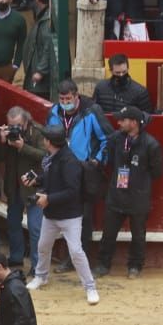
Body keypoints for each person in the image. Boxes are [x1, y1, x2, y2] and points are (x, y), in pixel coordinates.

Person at [25, 126, 100, 305]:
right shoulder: (53, 158)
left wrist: (48, 198)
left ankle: (90, 287)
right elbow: (51, 177)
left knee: (76, 251)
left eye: (45, 139)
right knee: (43, 246)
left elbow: (72, 191)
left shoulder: (69, 162)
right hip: (52, 214)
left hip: (70, 216)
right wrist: (37, 180)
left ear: (49, 142)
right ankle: (41, 276)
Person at [95, 106, 163, 278]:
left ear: (133, 122)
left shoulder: (151, 144)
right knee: (108, 233)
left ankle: (135, 266)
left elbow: (157, 172)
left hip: (138, 197)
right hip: (117, 193)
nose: (118, 123)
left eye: (122, 120)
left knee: (138, 235)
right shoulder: (116, 140)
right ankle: (103, 264)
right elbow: (109, 162)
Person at [48, 79, 110, 259]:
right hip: (61, 169)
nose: (65, 102)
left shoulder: (92, 111)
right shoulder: (53, 111)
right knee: (64, 215)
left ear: (77, 96)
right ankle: (67, 257)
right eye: (62, 99)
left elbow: (107, 139)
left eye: (68, 99)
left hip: (85, 171)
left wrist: (97, 161)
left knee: (84, 217)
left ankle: (80, 257)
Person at [0, 106, 46, 270]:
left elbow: (45, 156)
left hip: (34, 187)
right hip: (14, 186)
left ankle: (37, 266)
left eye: (17, 125)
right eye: (11, 125)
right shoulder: (8, 134)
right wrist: (3, 142)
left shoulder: (38, 132)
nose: (14, 129)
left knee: (35, 229)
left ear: (26, 121)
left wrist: (22, 147)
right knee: (13, 224)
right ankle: (16, 258)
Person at [20, 0, 54, 95]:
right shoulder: (44, 17)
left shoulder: (46, 22)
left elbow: (48, 46)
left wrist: (40, 71)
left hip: (40, 82)